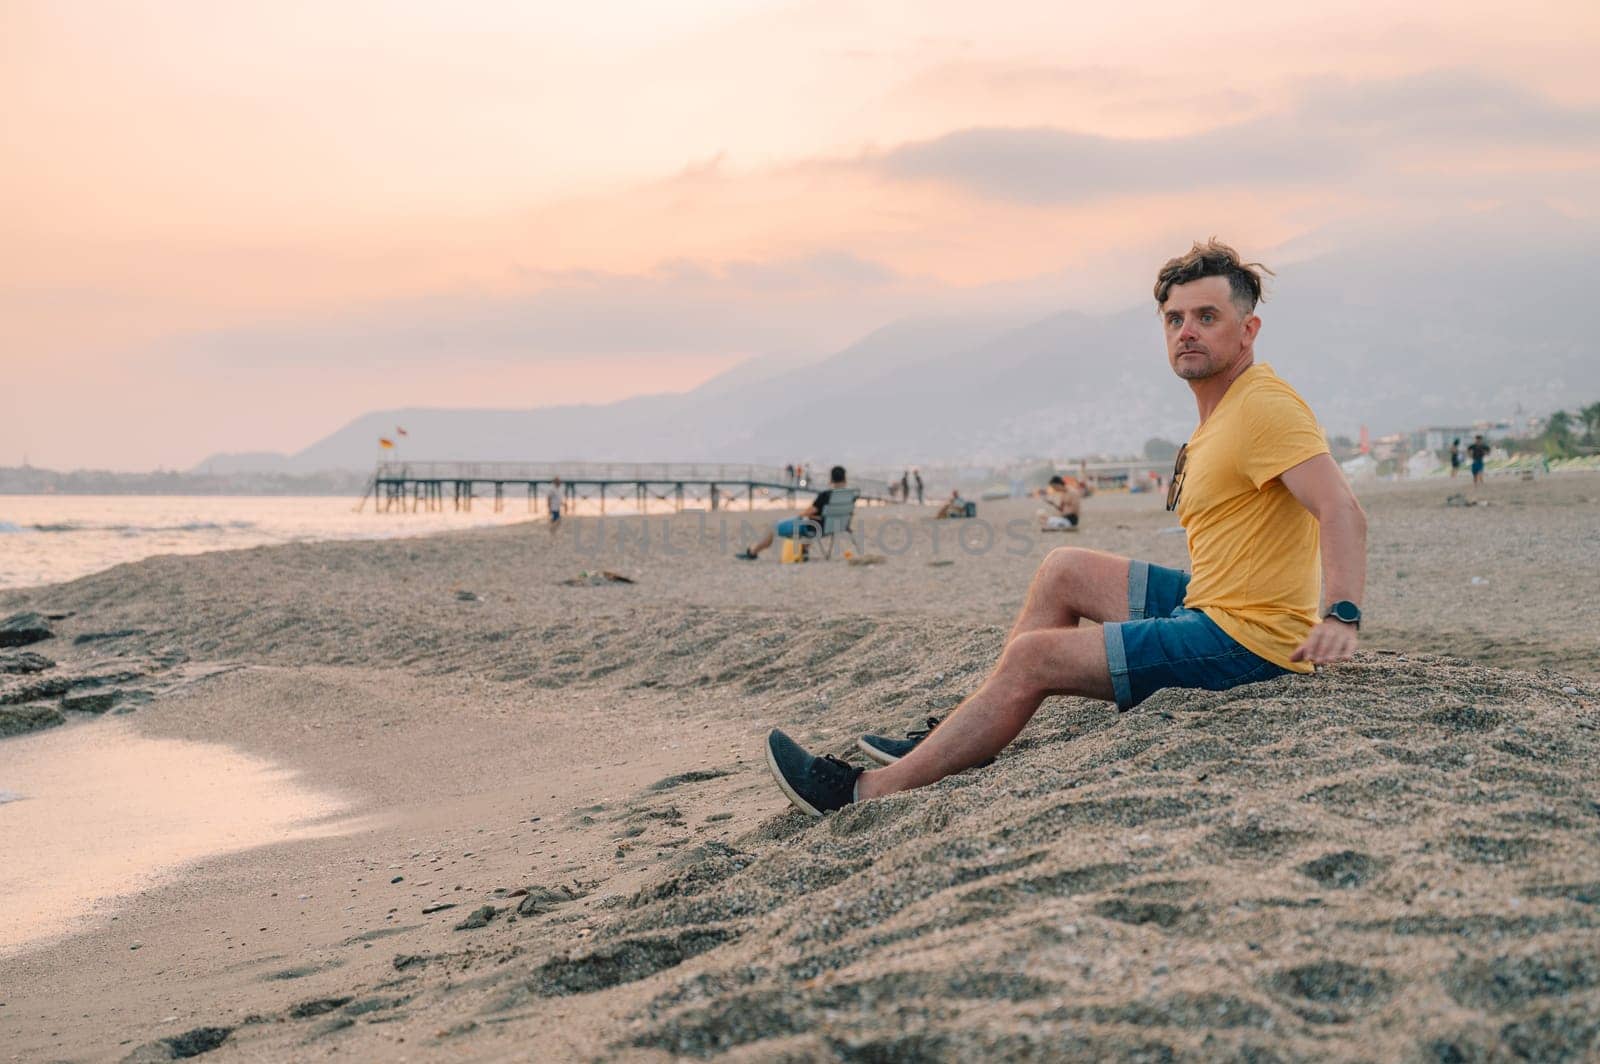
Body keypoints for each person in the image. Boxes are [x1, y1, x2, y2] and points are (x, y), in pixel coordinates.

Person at [765, 239, 1368, 816]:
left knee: (1034, 658)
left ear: (1248, 329)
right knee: (1063, 569)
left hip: (1248, 643)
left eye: (1207, 316)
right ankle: (954, 736)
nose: (1187, 330)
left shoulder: (1265, 405)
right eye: (1174, 318)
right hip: (1211, 604)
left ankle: (862, 793)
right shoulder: (1223, 410)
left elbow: (1341, 509)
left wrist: (1340, 614)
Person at [735, 465, 847, 560]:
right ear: (844, 479)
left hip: (815, 528)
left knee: (773, 527)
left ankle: (753, 552)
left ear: (831, 479)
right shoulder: (848, 495)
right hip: (834, 526)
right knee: (811, 521)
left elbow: (809, 512)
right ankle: (804, 551)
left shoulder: (826, 495)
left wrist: (801, 515)